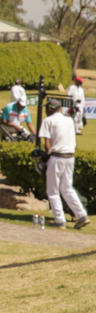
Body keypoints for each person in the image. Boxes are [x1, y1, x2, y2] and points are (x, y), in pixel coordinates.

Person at [39, 98, 90, 229]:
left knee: (52, 190)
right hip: (70, 157)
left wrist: (46, 156)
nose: (45, 111)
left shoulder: (48, 120)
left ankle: (60, 219)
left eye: (46, 108)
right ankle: (82, 215)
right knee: (67, 188)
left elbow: (47, 144)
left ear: (50, 108)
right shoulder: (68, 120)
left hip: (57, 157)